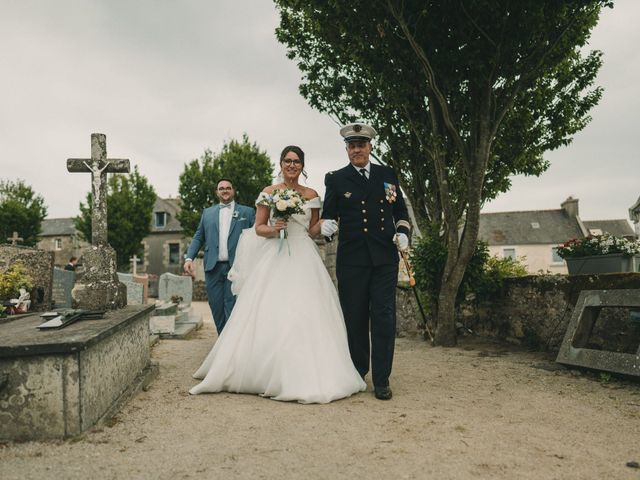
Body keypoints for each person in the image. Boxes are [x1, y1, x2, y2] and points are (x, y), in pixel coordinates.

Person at [189, 146, 366, 403]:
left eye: (296, 162)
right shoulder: (269, 193)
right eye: (288, 161)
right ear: (281, 163)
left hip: (304, 254)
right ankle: (261, 369)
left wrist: (327, 225)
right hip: (275, 254)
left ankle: (308, 370)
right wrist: (275, 228)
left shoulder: (312, 194)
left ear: (302, 166)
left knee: (307, 311)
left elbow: (313, 229)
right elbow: (259, 228)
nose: (292, 165)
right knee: (269, 311)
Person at [320, 122, 411, 401]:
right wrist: (326, 228)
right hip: (352, 260)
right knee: (355, 318)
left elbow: (401, 212)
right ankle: (357, 372)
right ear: (347, 149)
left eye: (361, 145)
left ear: (370, 147)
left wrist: (403, 233)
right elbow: (329, 216)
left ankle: (382, 379)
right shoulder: (336, 179)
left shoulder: (387, 175)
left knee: (383, 317)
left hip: (384, 258)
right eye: (352, 145)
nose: (357, 149)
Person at [184, 179, 256, 334]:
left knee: (231, 308)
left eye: (228, 188)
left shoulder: (247, 212)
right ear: (217, 192)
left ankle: (228, 349)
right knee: (216, 307)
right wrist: (189, 258)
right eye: (221, 188)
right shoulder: (207, 213)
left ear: (233, 191)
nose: (225, 190)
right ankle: (223, 342)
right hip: (212, 268)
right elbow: (198, 237)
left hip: (236, 268)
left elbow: (256, 238)